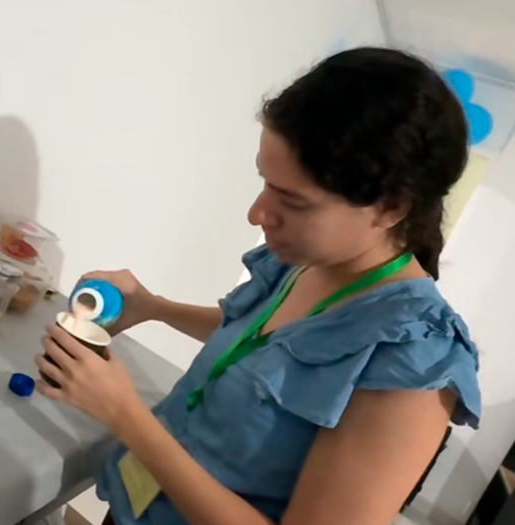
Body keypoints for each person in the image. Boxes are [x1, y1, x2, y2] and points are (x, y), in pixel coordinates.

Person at [35, 47, 481, 525]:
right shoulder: (315, 260)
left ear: (390, 208)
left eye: (293, 201)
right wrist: (154, 307)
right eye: (265, 181)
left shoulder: (416, 360)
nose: (257, 214)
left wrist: (126, 416)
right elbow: (263, 339)